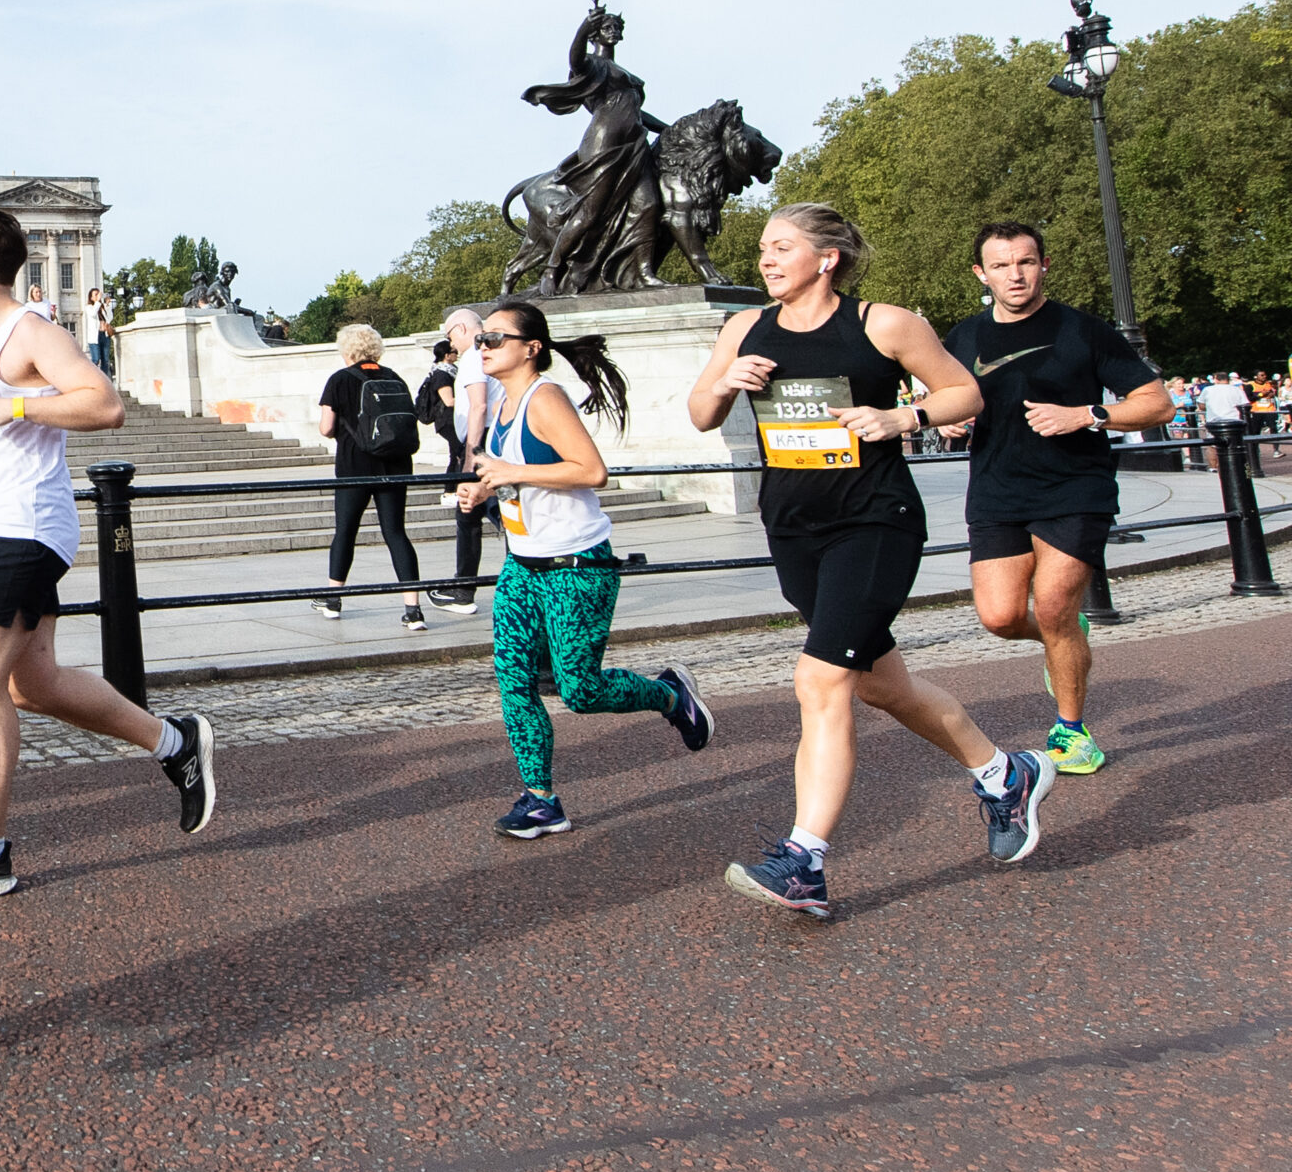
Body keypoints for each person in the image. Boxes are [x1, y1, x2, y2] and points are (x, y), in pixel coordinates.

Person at [687, 204, 1053, 922]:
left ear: (826, 259)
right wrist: (728, 378)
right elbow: (701, 412)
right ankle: (1005, 773)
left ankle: (804, 860)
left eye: (782, 247)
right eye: (764, 247)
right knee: (884, 686)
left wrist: (902, 419)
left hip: (874, 520)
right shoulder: (744, 327)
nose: (766, 259)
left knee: (820, 679)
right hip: (794, 526)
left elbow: (965, 392)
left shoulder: (881, 323)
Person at [0, 206, 216, 904]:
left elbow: (103, 402)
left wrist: (16, 410)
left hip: (24, 527)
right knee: (32, 684)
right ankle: (175, 743)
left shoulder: (32, 331)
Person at [456, 302, 712, 837]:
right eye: (481, 339)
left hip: (576, 566)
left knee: (580, 690)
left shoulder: (545, 398)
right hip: (523, 568)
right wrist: (485, 486)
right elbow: (520, 476)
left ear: (532, 348)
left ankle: (670, 695)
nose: (483, 347)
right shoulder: (502, 402)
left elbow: (591, 470)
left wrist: (510, 471)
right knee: (515, 682)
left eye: (495, 339)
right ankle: (541, 799)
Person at [944, 224, 1168, 778]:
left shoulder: (1082, 330)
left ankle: (1072, 731)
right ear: (981, 273)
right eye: (1001, 265)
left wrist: (1087, 415)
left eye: (1025, 262)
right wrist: (950, 421)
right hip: (997, 489)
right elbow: (943, 399)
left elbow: (1156, 403)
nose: (1014, 275)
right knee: (998, 617)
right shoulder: (963, 337)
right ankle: (1066, 634)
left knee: (1052, 606)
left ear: (1044, 264)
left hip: (1075, 487)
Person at [313, 324, 434, 629]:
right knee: (395, 532)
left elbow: (327, 428)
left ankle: (333, 598)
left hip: (355, 463)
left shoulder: (340, 380)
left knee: (346, 531)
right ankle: (413, 609)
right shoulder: (394, 376)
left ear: (347, 349)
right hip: (395, 462)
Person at [435, 307, 494, 617]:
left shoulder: (473, 357)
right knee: (483, 512)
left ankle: (463, 589)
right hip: (486, 441)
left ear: (460, 328)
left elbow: (478, 407)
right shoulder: (485, 353)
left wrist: (470, 457)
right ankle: (463, 587)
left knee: (470, 514)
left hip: (479, 444)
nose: (450, 345)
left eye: (449, 336)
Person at [88, 286, 114, 375]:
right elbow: (92, 314)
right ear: (91, 298)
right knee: (96, 359)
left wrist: (108, 305)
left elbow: (110, 318)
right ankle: (92, 377)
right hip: (95, 336)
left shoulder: (101, 308)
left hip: (104, 334)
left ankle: (104, 379)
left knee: (105, 360)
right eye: (96, 295)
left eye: (99, 294)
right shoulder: (89, 307)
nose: (98, 296)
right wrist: (98, 302)